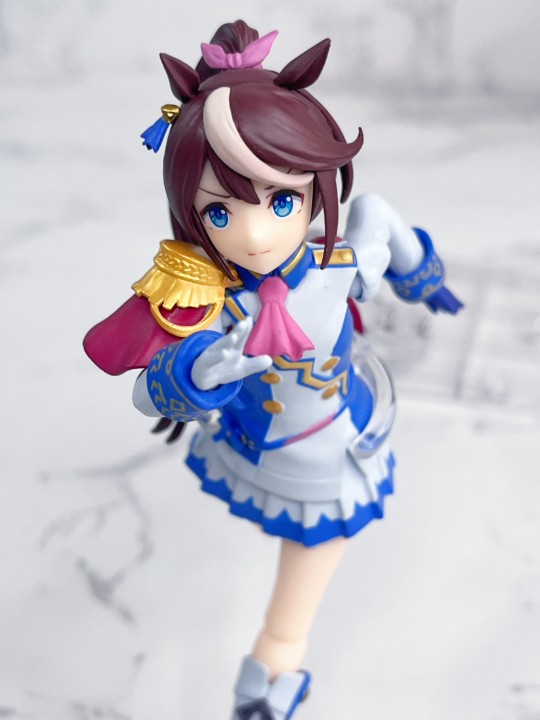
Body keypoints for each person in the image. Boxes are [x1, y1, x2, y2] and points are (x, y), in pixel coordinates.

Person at [84, 20, 462, 720]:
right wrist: (202, 369)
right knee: (312, 563)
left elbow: (376, 216)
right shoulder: (210, 295)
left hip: (333, 429)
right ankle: (272, 672)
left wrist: (419, 272)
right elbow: (144, 390)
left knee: (313, 554)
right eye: (220, 212)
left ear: (316, 189)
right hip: (275, 445)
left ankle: (271, 671)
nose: (255, 234)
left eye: (282, 201)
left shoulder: (335, 264)